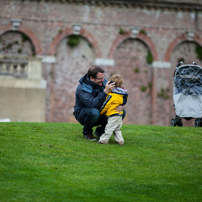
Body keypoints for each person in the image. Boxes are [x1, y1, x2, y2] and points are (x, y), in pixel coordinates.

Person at [73, 66, 125, 141]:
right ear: (91, 78)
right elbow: (92, 104)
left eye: (103, 77)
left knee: (120, 112)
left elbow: (117, 94)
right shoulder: (82, 88)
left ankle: (100, 131)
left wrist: (121, 105)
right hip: (84, 114)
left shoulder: (103, 82)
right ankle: (87, 133)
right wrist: (105, 92)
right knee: (94, 112)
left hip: (101, 110)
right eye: (100, 79)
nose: (103, 80)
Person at [97, 74, 128, 145]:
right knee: (117, 129)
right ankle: (120, 141)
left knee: (109, 128)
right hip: (119, 114)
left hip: (112, 115)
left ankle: (103, 140)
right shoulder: (123, 93)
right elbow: (124, 101)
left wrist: (101, 112)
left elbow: (106, 105)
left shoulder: (111, 95)